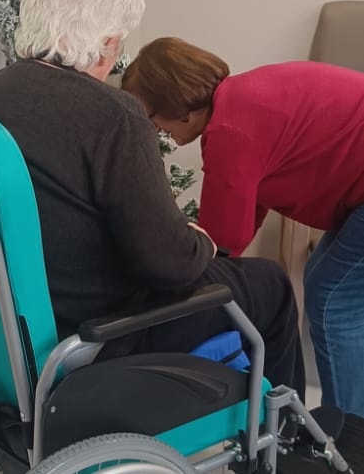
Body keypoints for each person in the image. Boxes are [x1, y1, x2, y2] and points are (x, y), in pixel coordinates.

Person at [0, 0, 304, 396]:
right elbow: (170, 265)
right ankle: (288, 447)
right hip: (100, 333)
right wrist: (199, 240)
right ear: (107, 43)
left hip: (15, 319)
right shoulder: (112, 114)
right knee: (272, 285)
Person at [121, 36, 364, 418]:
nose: (156, 132)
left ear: (180, 109)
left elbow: (222, 239)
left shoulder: (230, 131)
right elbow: (244, 217)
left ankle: (349, 438)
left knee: (333, 299)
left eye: (153, 120)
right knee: (323, 278)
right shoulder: (239, 102)